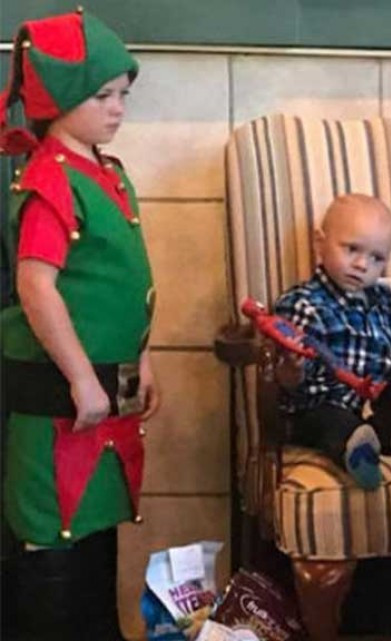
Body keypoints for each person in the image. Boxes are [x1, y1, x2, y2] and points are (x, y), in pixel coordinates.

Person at [0, 10, 157, 640]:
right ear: (61, 97)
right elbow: (36, 287)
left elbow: (125, 282)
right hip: (64, 402)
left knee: (95, 530)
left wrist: (143, 360)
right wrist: (81, 380)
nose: (118, 108)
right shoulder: (48, 181)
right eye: (102, 95)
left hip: (104, 401)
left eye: (123, 94)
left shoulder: (109, 174)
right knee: (53, 529)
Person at [274, 193, 391, 489]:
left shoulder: (388, 305)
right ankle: (358, 456)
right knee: (334, 424)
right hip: (321, 407)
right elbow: (286, 381)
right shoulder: (303, 304)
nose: (362, 264)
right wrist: (291, 371)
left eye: (376, 258)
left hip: (376, 407)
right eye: (352, 249)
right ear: (320, 243)